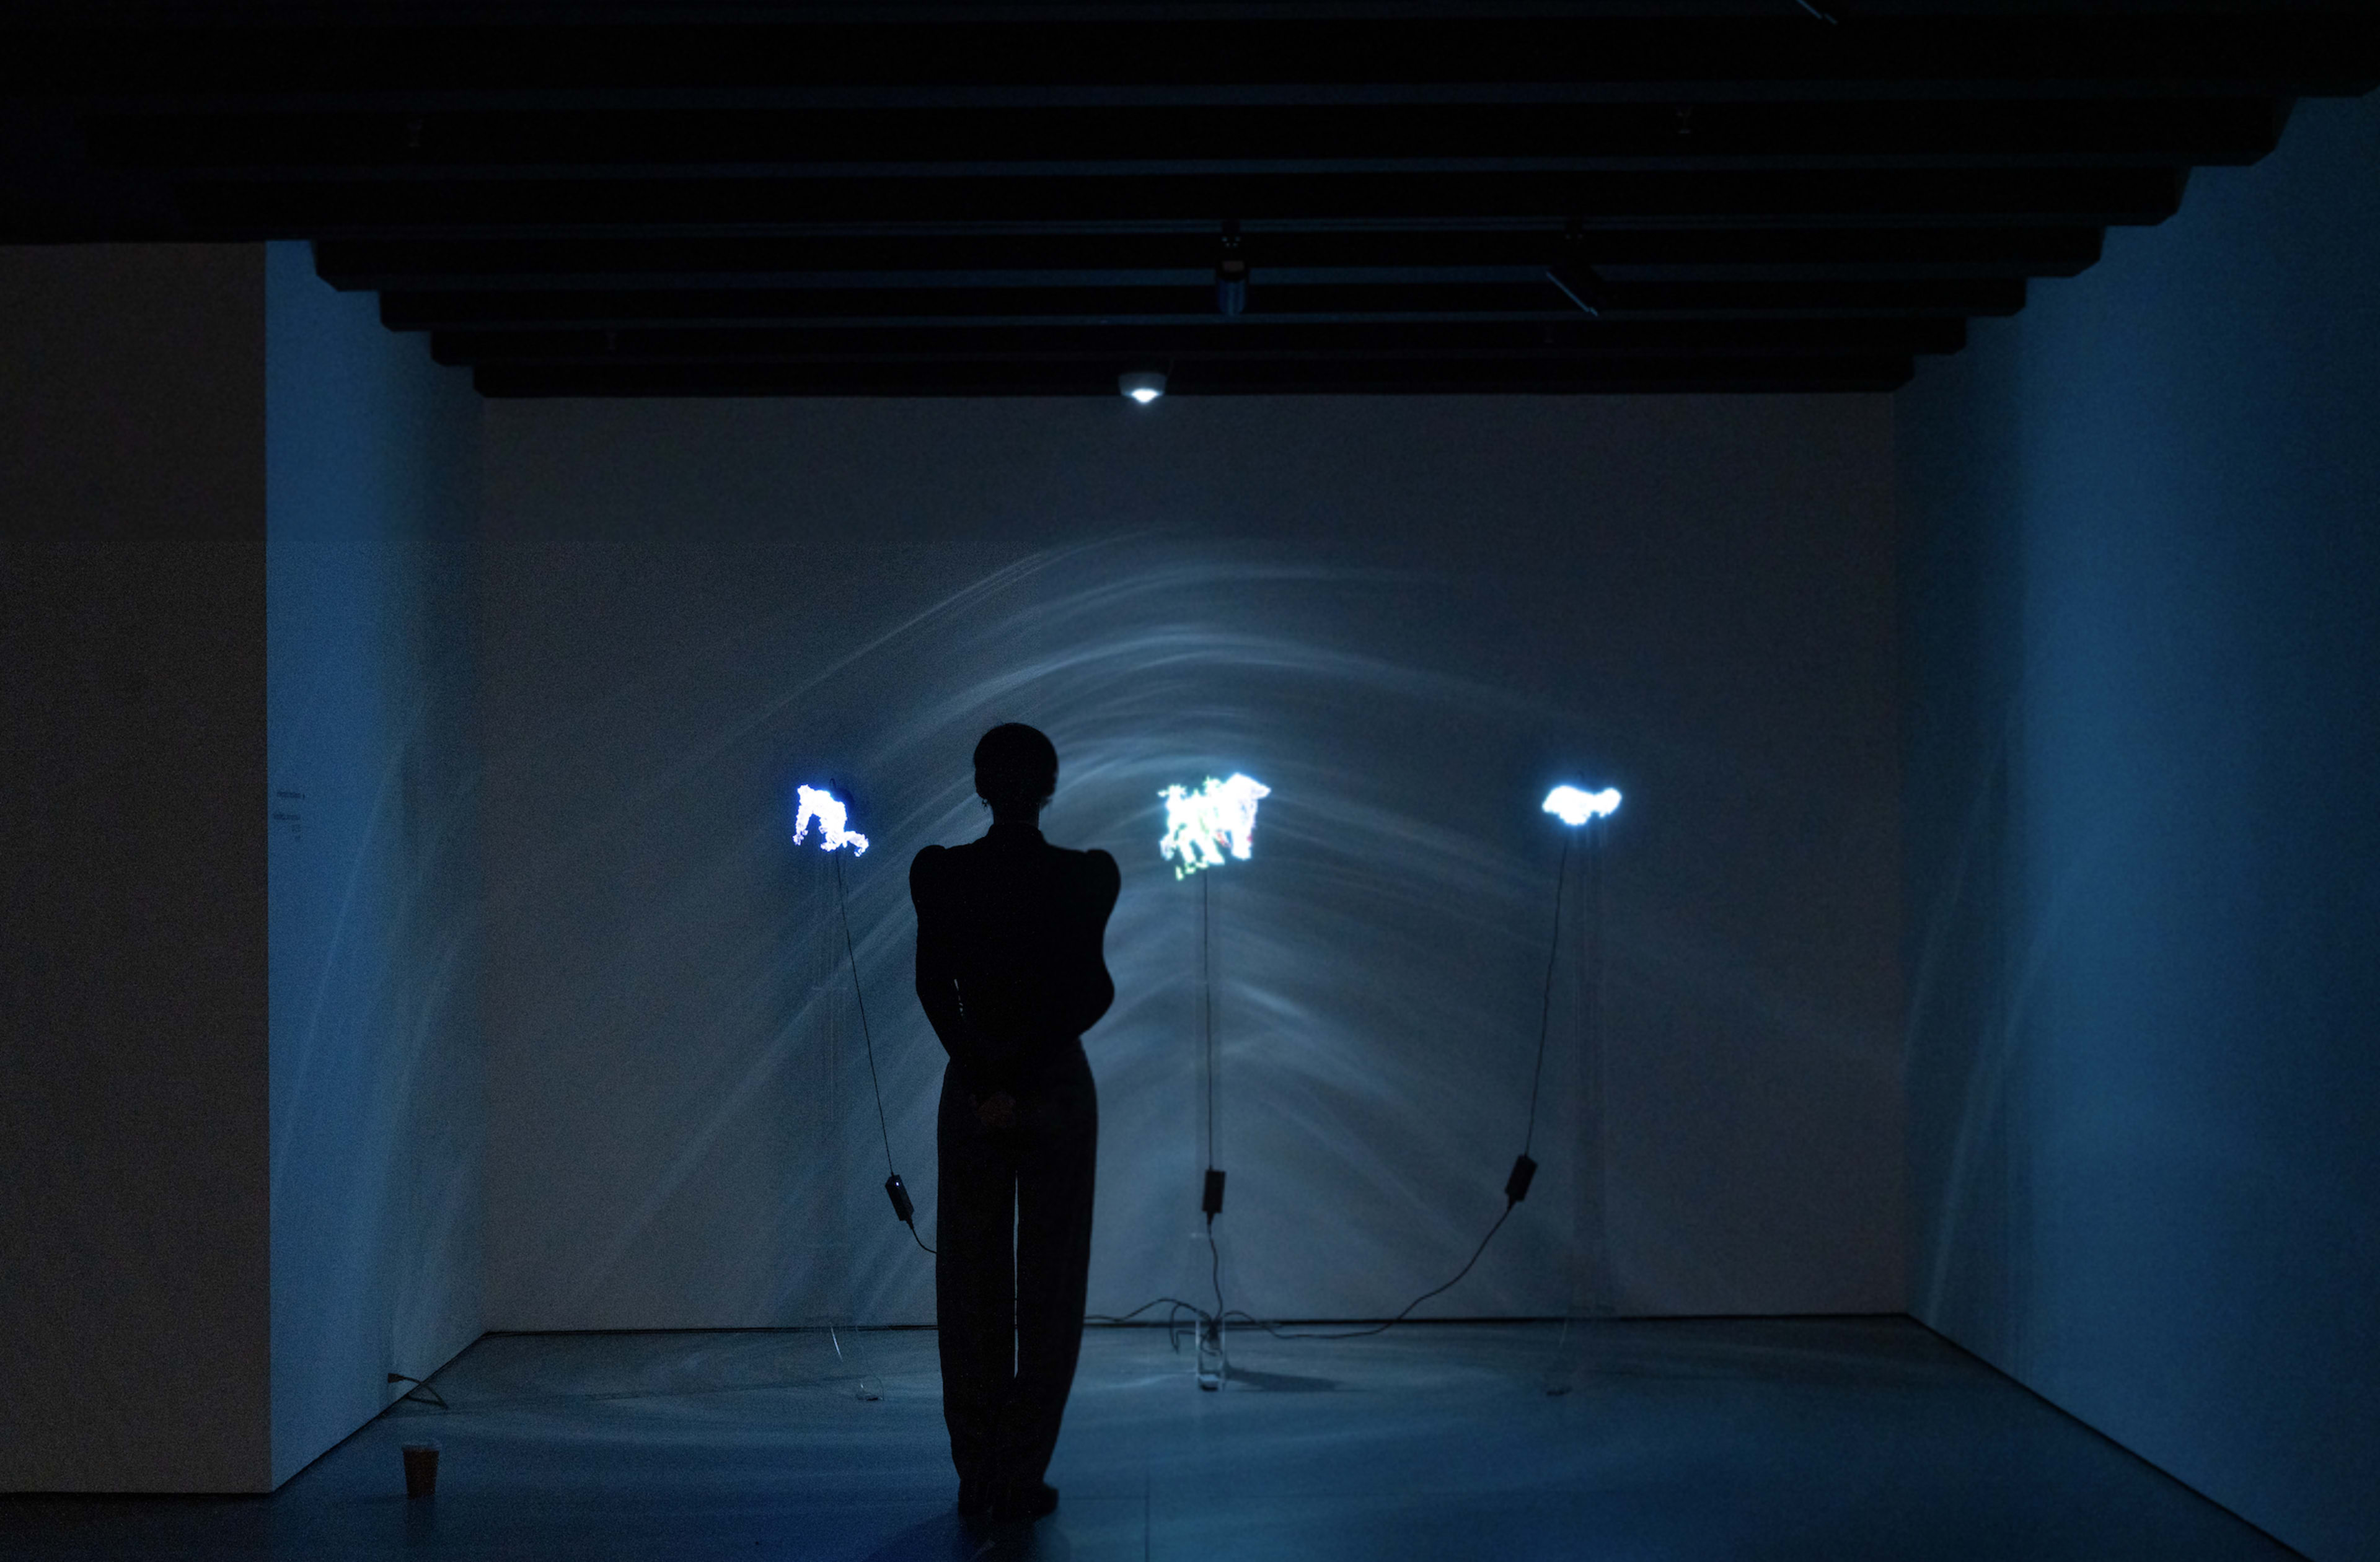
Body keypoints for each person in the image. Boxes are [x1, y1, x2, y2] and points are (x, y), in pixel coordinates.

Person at [909, 723, 1119, 1525]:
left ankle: (980, 1467)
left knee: (970, 1280)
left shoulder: (943, 874)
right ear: (1050, 787)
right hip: (1057, 1090)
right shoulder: (1085, 877)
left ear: (979, 785)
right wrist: (1028, 1066)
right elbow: (1092, 993)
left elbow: (935, 988)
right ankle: (1021, 1465)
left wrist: (987, 1073)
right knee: (1051, 1283)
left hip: (974, 1086)